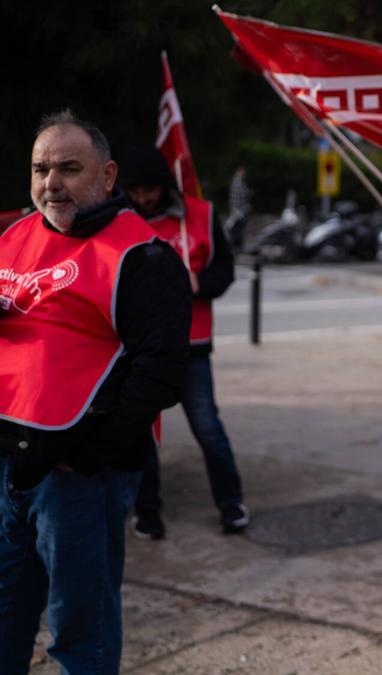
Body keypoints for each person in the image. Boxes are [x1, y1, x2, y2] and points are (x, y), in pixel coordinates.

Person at [0, 112, 192, 673]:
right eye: (40, 169)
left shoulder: (145, 257)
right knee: (6, 616)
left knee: (79, 632)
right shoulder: (13, 237)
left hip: (77, 481)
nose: (50, 183)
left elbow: (160, 374)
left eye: (67, 168)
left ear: (107, 176)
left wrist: (86, 458)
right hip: (8, 466)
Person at [118, 146, 249, 539]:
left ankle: (231, 503)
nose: (144, 200)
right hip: (137, 348)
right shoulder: (120, 221)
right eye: (136, 192)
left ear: (165, 186)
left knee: (208, 428)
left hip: (191, 346)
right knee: (142, 432)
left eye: (151, 192)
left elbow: (225, 271)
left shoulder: (202, 216)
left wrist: (200, 284)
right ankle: (148, 511)